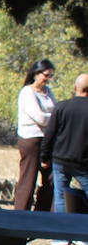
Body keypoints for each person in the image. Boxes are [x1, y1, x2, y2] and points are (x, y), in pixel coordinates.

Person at [41, 72, 88, 219]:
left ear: (75, 87)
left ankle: (59, 235)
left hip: (60, 160)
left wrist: (45, 156)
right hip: (84, 162)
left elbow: (50, 134)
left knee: (60, 197)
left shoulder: (61, 107)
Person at [14, 59, 56, 211]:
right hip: (31, 140)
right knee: (28, 179)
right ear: (36, 73)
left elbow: (55, 112)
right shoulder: (27, 92)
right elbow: (40, 117)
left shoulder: (48, 92)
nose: (48, 79)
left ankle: (42, 214)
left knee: (51, 179)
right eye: (46, 75)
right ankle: (20, 214)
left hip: (48, 140)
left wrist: (52, 118)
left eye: (50, 75)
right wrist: (53, 119)